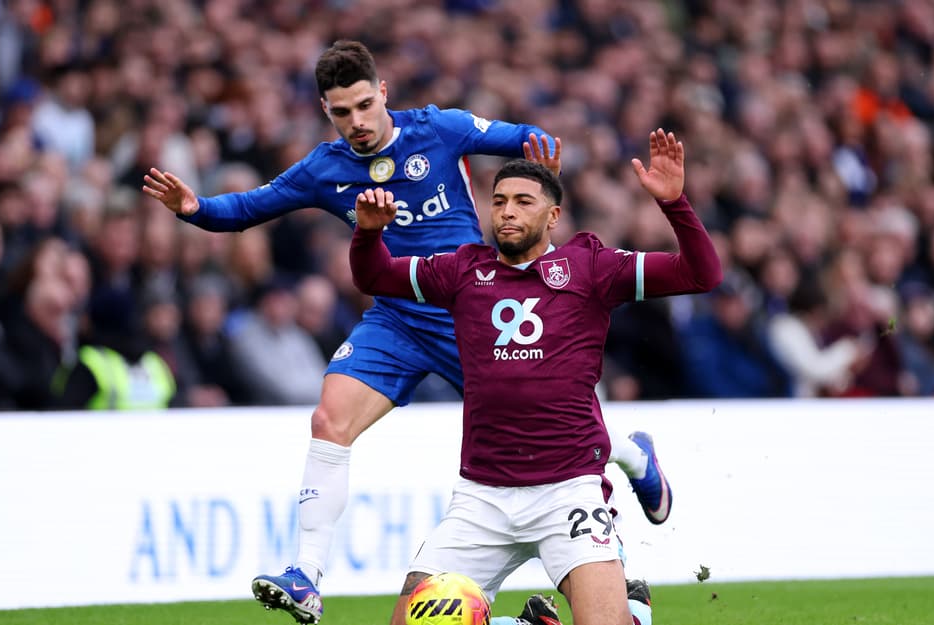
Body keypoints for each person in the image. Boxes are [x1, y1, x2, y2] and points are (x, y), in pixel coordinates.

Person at [141, 40, 668, 623]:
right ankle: (307, 574)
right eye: (343, 112)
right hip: (396, 319)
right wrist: (194, 208)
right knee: (328, 419)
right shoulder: (325, 169)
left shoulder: (438, 130)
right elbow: (248, 208)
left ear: (383, 92)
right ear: (325, 110)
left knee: (558, 431)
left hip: (473, 314)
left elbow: (525, 138)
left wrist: (540, 165)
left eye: (365, 105)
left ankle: (628, 478)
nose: (357, 122)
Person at [347, 130, 721, 625]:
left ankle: (627, 609)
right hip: (482, 495)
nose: (507, 211)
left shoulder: (590, 266)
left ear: (553, 216)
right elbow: (373, 277)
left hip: (568, 489)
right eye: (500, 201)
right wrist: (368, 233)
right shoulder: (462, 270)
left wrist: (674, 204)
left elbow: (702, 274)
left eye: (524, 202)